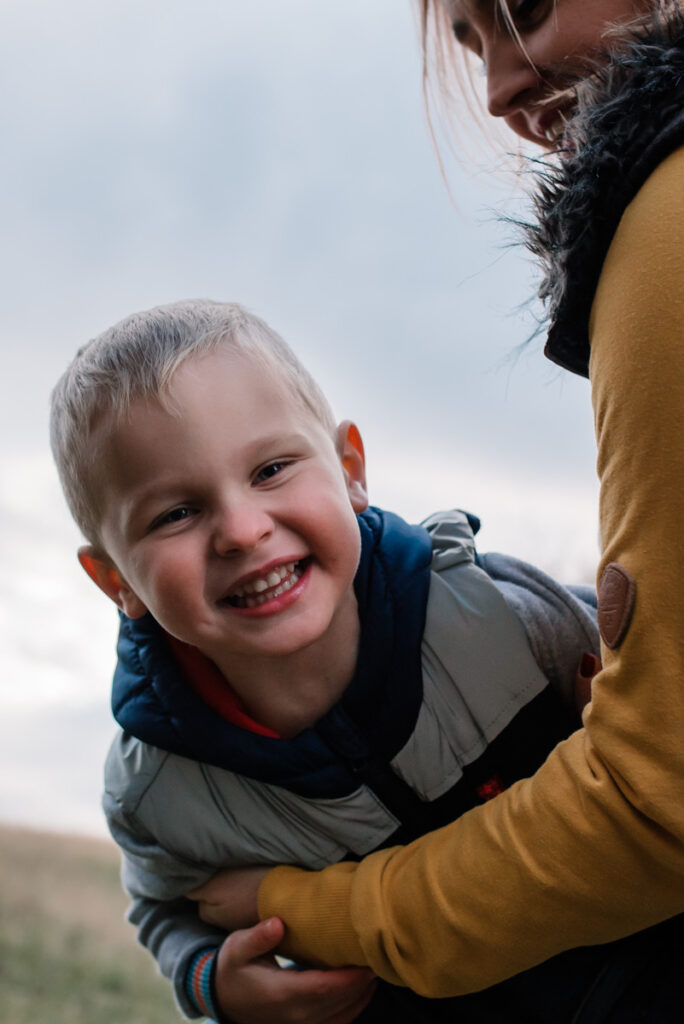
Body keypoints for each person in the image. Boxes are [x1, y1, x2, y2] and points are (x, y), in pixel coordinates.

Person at [191, 1, 684, 1019]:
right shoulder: (159, 757)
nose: (499, 90)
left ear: (351, 465)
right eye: (471, 44)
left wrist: (306, 909)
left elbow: (656, 805)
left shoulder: (666, 214)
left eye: (526, 12)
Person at [50, 299, 610, 1023]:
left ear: (350, 470)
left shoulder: (496, 619)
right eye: (175, 514)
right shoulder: (161, 787)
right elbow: (161, 906)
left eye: (272, 468)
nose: (243, 531)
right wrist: (208, 980)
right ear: (117, 580)